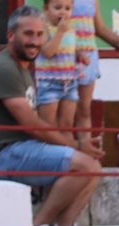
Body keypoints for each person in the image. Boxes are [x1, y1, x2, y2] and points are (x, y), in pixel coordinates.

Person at [0, 5, 102, 226]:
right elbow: (32, 124)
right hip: (1, 155)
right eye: (28, 34)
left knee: (94, 169)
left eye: (40, 34)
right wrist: (77, 145)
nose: (35, 41)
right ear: (11, 36)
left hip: (19, 147)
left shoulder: (22, 68)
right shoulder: (5, 68)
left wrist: (78, 147)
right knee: (85, 165)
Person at [71, 0, 119, 155]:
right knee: (65, 114)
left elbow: (99, 28)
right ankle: (65, 155)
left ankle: (85, 152)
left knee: (84, 110)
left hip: (89, 55)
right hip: (65, 57)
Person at [35, 0, 86, 138]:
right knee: (48, 127)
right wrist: (60, 32)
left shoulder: (70, 29)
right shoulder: (43, 28)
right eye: (57, 7)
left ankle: (67, 156)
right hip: (49, 82)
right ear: (46, 8)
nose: (63, 12)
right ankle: (49, 157)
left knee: (67, 125)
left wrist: (80, 55)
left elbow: (70, 48)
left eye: (67, 8)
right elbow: (48, 52)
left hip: (70, 82)